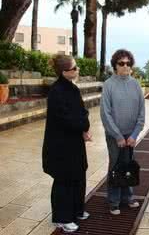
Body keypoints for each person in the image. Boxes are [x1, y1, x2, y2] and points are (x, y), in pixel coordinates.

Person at [42, 55, 92, 233]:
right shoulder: (56, 92)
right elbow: (66, 119)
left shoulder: (72, 88)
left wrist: (84, 127)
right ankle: (61, 218)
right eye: (75, 68)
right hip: (60, 146)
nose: (78, 70)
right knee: (64, 180)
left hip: (74, 142)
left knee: (78, 175)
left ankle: (76, 210)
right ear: (65, 72)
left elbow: (82, 111)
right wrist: (83, 125)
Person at [100, 49, 145, 215]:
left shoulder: (136, 84)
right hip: (115, 135)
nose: (125, 66)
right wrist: (118, 136)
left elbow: (142, 112)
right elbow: (105, 114)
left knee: (128, 166)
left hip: (130, 135)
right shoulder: (109, 85)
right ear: (115, 66)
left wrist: (134, 135)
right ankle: (113, 200)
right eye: (121, 63)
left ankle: (128, 197)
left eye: (128, 63)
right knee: (115, 166)